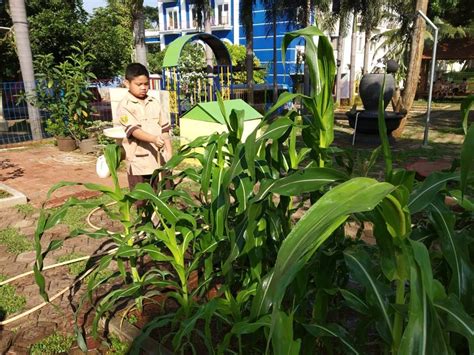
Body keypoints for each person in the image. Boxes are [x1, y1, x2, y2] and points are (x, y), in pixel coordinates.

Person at [114, 63, 172, 203]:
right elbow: (134, 131)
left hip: (159, 160)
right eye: (138, 84)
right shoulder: (125, 106)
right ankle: (146, 223)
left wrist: (169, 152)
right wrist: (153, 138)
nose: (143, 87)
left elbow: (165, 129)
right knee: (143, 201)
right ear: (127, 83)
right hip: (139, 162)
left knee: (166, 197)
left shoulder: (154, 102)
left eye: (146, 84)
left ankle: (163, 223)